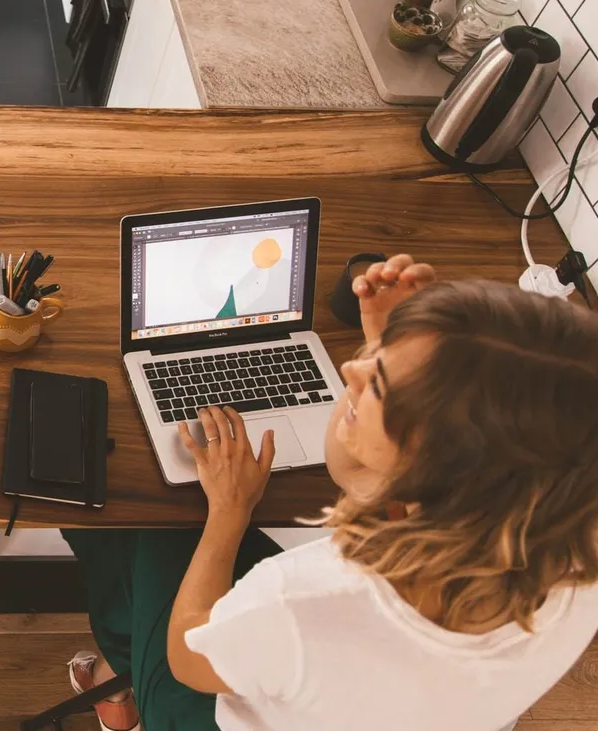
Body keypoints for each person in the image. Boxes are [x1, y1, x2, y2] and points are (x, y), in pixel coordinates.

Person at [63, 255, 598, 731]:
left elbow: (188, 659)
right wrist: (408, 346)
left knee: (148, 514)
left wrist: (228, 510)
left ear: (435, 466)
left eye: (378, 381)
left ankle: (127, 681)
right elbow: (364, 477)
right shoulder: (574, 549)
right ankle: (119, 665)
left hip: (203, 699)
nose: (349, 367)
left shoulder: (308, 598)